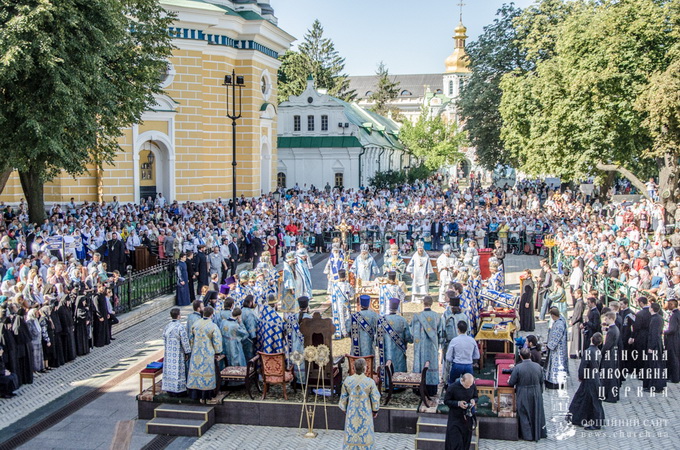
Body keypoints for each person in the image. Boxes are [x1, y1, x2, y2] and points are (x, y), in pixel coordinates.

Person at [338, 357, 381, 450]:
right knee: (365, 434)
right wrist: (375, 410)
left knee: (351, 433)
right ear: (365, 368)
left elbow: (343, 398)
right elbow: (375, 398)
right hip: (365, 413)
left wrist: (345, 409)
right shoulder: (370, 382)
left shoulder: (347, 381)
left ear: (353, 368)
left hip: (351, 413)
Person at [508, 348, 547, 442]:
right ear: (530, 355)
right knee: (536, 411)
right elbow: (542, 380)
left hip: (523, 392)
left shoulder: (518, 367)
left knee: (524, 413)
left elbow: (512, 382)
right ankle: (539, 433)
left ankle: (527, 435)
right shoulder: (538, 366)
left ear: (521, 357)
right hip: (536, 392)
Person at [568, 332, 605, 430]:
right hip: (596, 377)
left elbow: (583, 366)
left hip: (589, 378)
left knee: (591, 399)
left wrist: (581, 376)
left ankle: (596, 423)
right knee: (586, 398)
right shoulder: (598, 351)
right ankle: (578, 418)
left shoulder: (588, 351)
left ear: (591, 339)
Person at [187, 306, 223, 403]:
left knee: (196, 371)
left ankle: (195, 394)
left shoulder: (196, 324)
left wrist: (193, 348)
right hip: (207, 353)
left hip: (196, 353)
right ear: (212, 314)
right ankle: (206, 395)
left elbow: (191, 338)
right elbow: (217, 341)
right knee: (206, 372)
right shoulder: (213, 326)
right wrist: (217, 352)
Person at [411, 296, 442, 395]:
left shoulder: (417, 316)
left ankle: (419, 388)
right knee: (431, 364)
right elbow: (441, 332)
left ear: (423, 303)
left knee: (420, 365)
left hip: (420, 347)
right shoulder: (436, 316)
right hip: (432, 346)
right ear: (432, 303)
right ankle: (432, 389)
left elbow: (412, 332)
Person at [377, 298, 412, 380]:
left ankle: (387, 383)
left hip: (386, 351)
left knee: (387, 364)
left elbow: (377, 339)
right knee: (399, 364)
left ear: (389, 306)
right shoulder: (402, 320)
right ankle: (399, 383)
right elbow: (408, 337)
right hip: (398, 351)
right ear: (397, 307)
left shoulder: (382, 320)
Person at [443, 373, 478, 450]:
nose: (469, 387)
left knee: (466, 441)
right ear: (462, 380)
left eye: (470, 386)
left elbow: (476, 397)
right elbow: (446, 401)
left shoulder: (472, 386)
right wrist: (458, 403)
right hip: (455, 417)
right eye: (467, 386)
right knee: (455, 442)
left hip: (467, 417)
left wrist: (473, 401)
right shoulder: (452, 387)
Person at [441, 291, 469, 383]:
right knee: (448, 363)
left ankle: (460, 381)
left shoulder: (463, 316)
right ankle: (446, 380)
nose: (455, 309)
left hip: (460, 343)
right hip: (449, 342)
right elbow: (442, 328)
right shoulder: (446, 315)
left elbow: (468, 330)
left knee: (458, 362)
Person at [162, 307, 191, 397]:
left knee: (169, 370)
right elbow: (185, 340)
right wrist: (187, 352)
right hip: (178, 353)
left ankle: (170, 389)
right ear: (178, 316)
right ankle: (179, 390)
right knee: (179, 371)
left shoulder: (167, 326)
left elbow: (164, 338)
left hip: (169, 353)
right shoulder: (180, 327)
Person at [645, 302, 667, 392]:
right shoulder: (659, 318)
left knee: (655, 366)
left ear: (652, 309)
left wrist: (651, 347)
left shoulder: (655, 319)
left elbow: (654, 334)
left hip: (655, 345)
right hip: (657, 344)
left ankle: (656, 386)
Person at [544, 307, 568, 389]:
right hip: (558, 348)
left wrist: (549, 346)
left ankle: (556, 382)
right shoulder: (561, 320)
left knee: (557, 366)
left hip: (558, 349)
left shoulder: (559, 324)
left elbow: (556, 337)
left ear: (553, 315)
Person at [600, 311, 620, 402]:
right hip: (614, 353)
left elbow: (607, 345)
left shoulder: (611, 331)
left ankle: (610, 396)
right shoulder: (615, 328)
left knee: (609, 376)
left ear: (611, 319)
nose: (605, 320)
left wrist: (601, 353)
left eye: (607, 319)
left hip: (609, 355)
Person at [629, 296, 651, 378]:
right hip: (650, 335)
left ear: (641, 303)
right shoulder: (653, 312)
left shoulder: (639, 314)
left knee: (641, 355)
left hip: (641, 336)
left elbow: (636, 327)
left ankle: (641, 373)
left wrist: (632, 337)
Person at [330, 269, 353, 339]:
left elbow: (333, 297)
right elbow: (352, 294)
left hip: (338, 304)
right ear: (345, 277)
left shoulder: (335, 286)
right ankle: (347, 332)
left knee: (341, 317)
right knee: (347, 317)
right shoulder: (348, 285)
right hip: (346, 304)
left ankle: (341, 332)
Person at [664, 298, 680, 383]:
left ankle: (675, 378)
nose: (667, 305)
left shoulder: (674, 315)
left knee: (673, 358)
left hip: (673, 339)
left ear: (672, 305)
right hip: (677, 337)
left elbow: (672, 329)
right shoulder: (678, 314)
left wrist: (665, 332)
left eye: (669, 304)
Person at [240, 296, 259, 363]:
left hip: (242, 337)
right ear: (250, 302)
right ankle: (250, 371)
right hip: (249, 339)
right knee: (250, 357)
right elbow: (251, 326)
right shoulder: (250, 313)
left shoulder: (241, 310)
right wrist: (254, 338)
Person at [569, 289, 585, 358]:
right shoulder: (579, 302)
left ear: (579, 294)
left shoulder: (580, 303)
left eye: (576, 293)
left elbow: (578, 314)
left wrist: (573, 321)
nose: (574, 295)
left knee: (576, 338)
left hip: (577, 323)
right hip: (576, 322)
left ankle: (576, 352)